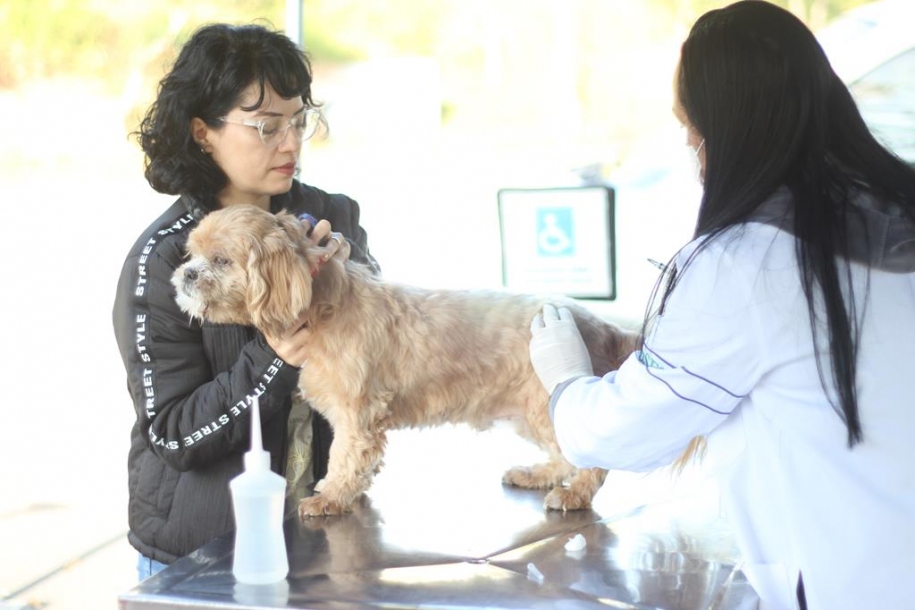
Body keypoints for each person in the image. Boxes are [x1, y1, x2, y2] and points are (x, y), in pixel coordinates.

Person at [529, 2, 915, 609]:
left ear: (730, 127)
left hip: (854, 584)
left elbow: (620, 433)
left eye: (692, 124)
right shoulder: (897, 208)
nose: (688, 143)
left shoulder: (747, 265)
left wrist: (565, 376)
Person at [112, 22, 379, 581]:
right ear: (203, 132)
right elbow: (174, 433)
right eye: (266, 127)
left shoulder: (335, 217)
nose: (291, 143)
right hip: (203, 554)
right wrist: (276, 355)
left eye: (299, 121)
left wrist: (349, 281)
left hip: (324, 530)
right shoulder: (165, 261)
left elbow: (382, 357)